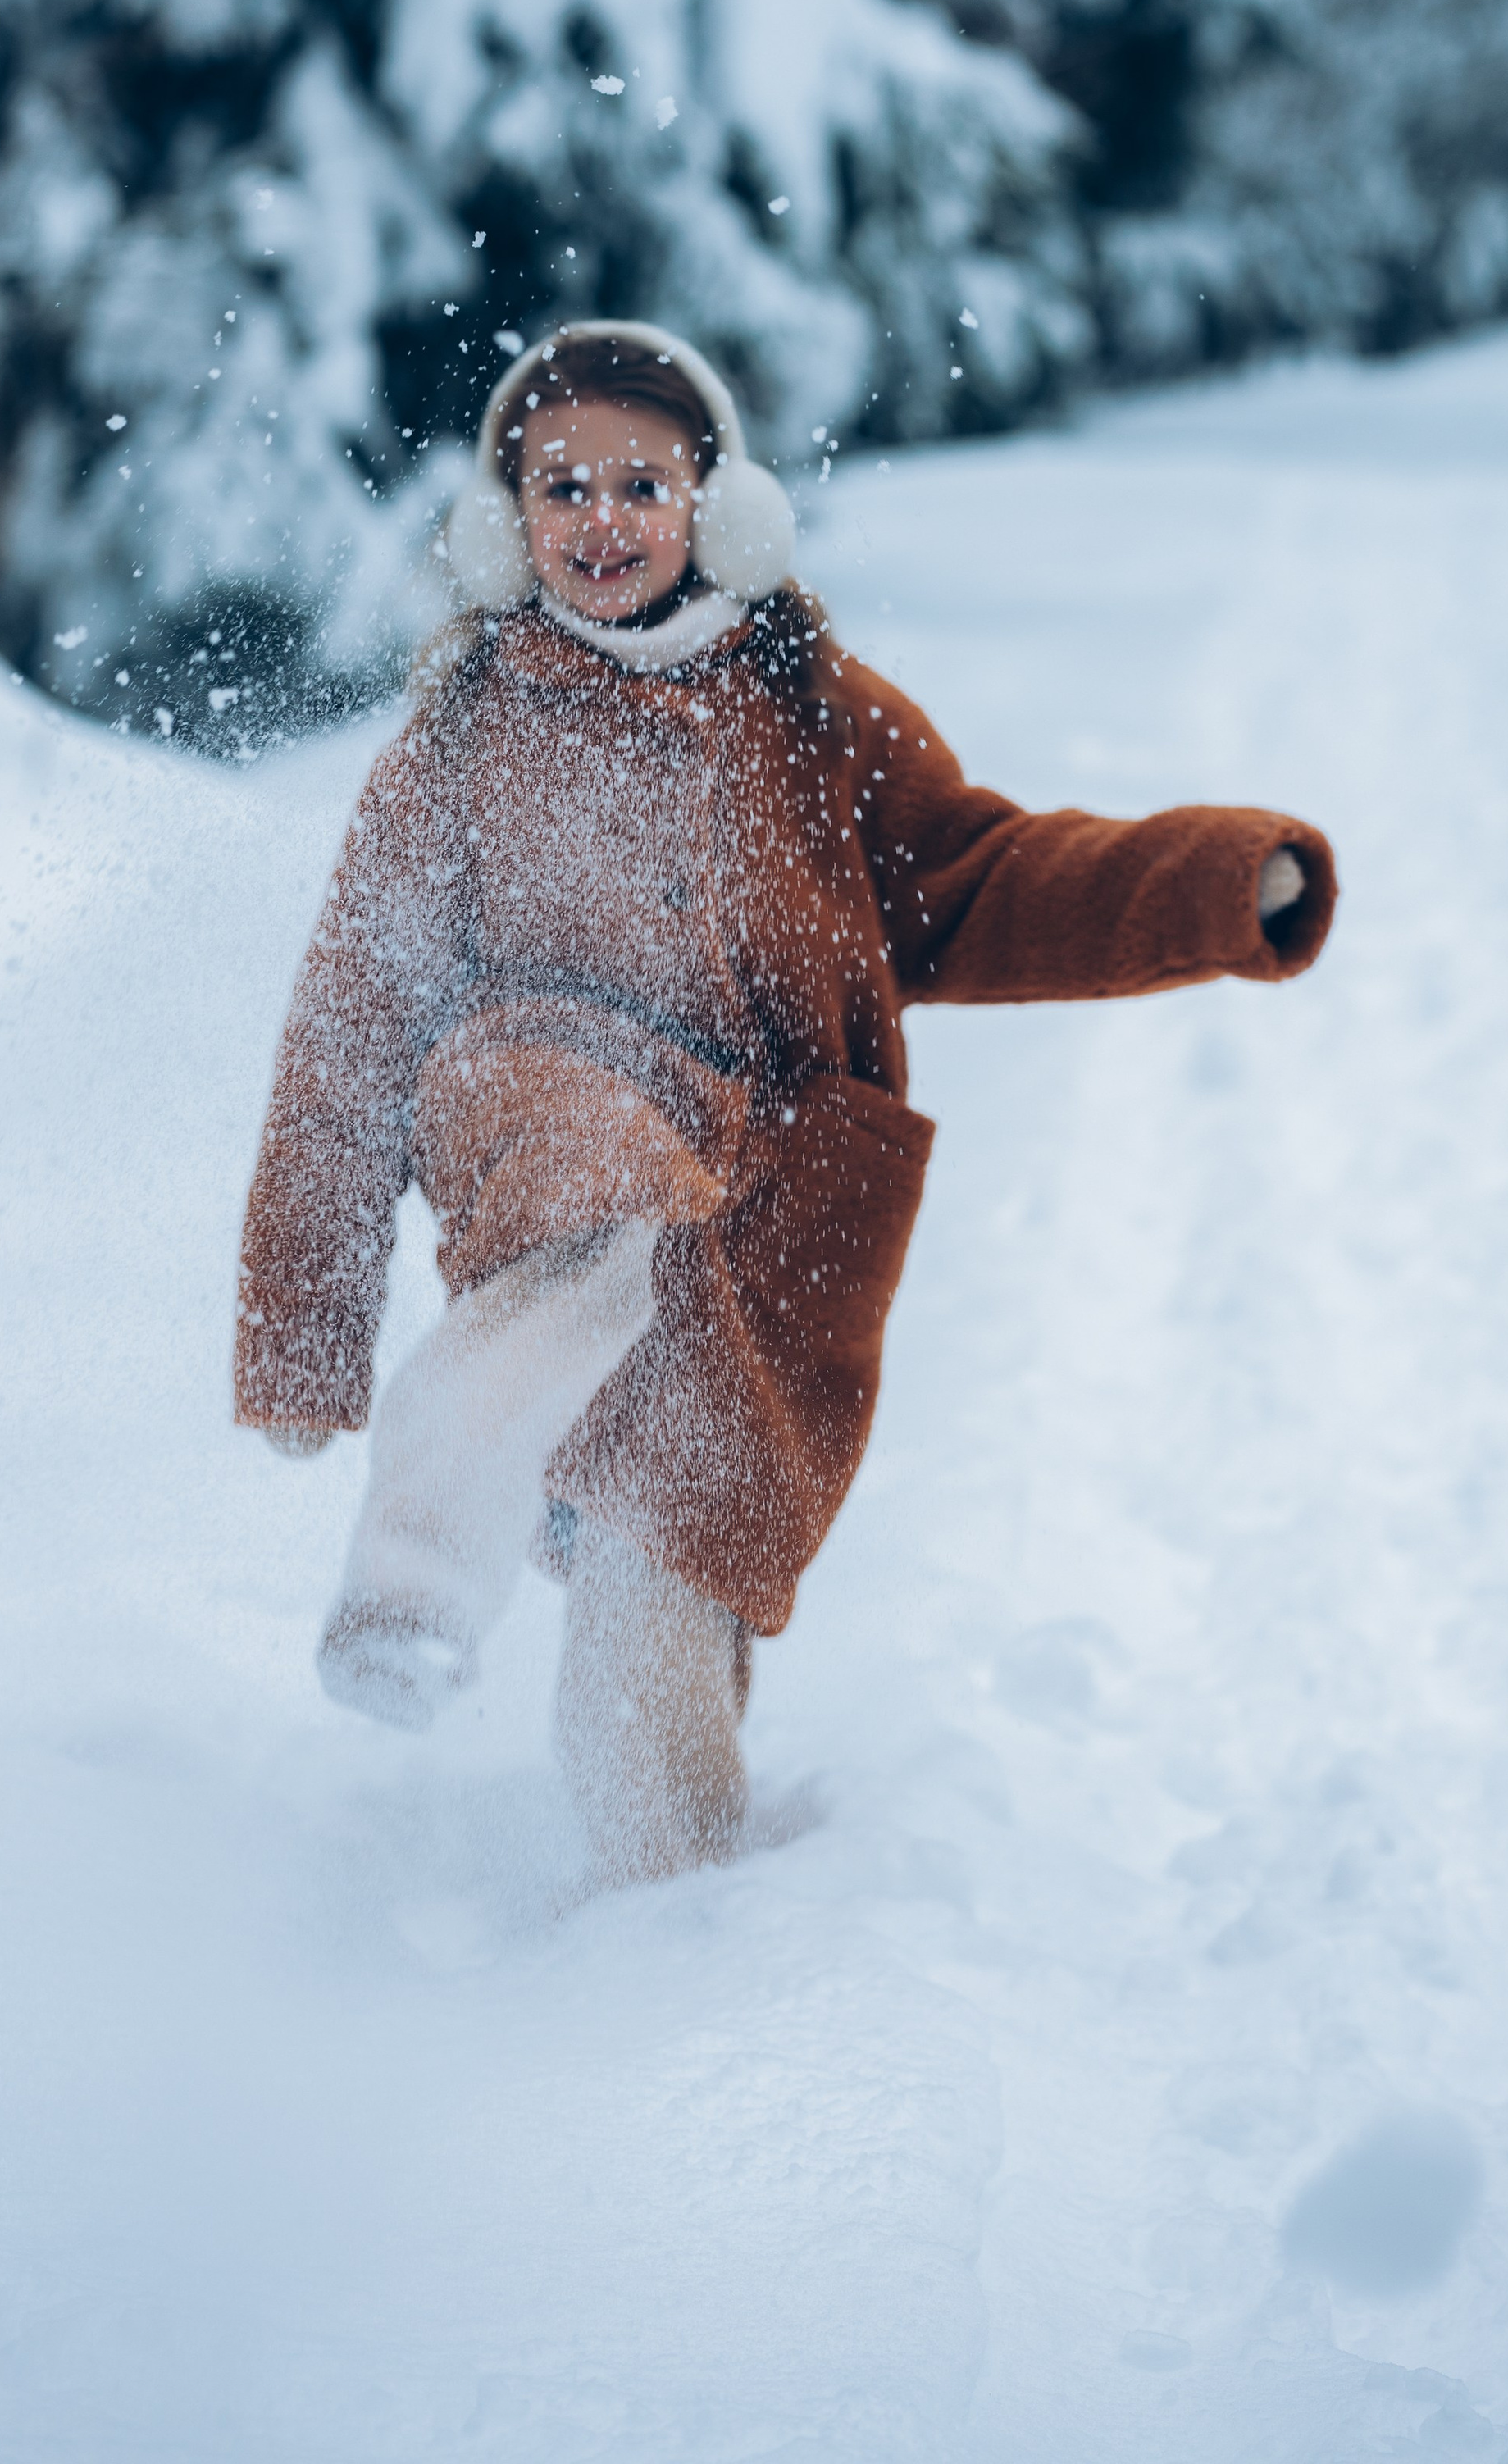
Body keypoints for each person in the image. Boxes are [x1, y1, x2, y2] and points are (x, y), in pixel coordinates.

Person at [235, 321, 1337, 1884]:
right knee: (590, 1173)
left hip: (756, 1245)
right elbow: (346, 1036)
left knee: (653, 1603)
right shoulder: (459, 741)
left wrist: (1223, 883)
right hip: (536, 1132)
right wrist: (301, 1329)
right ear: (505, 519)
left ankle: (677, 1916)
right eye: (562, 489)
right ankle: (410, 1586)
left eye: (641, 484)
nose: (601, 522)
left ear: (716, 502)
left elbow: (983, 880)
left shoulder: (812, 711)